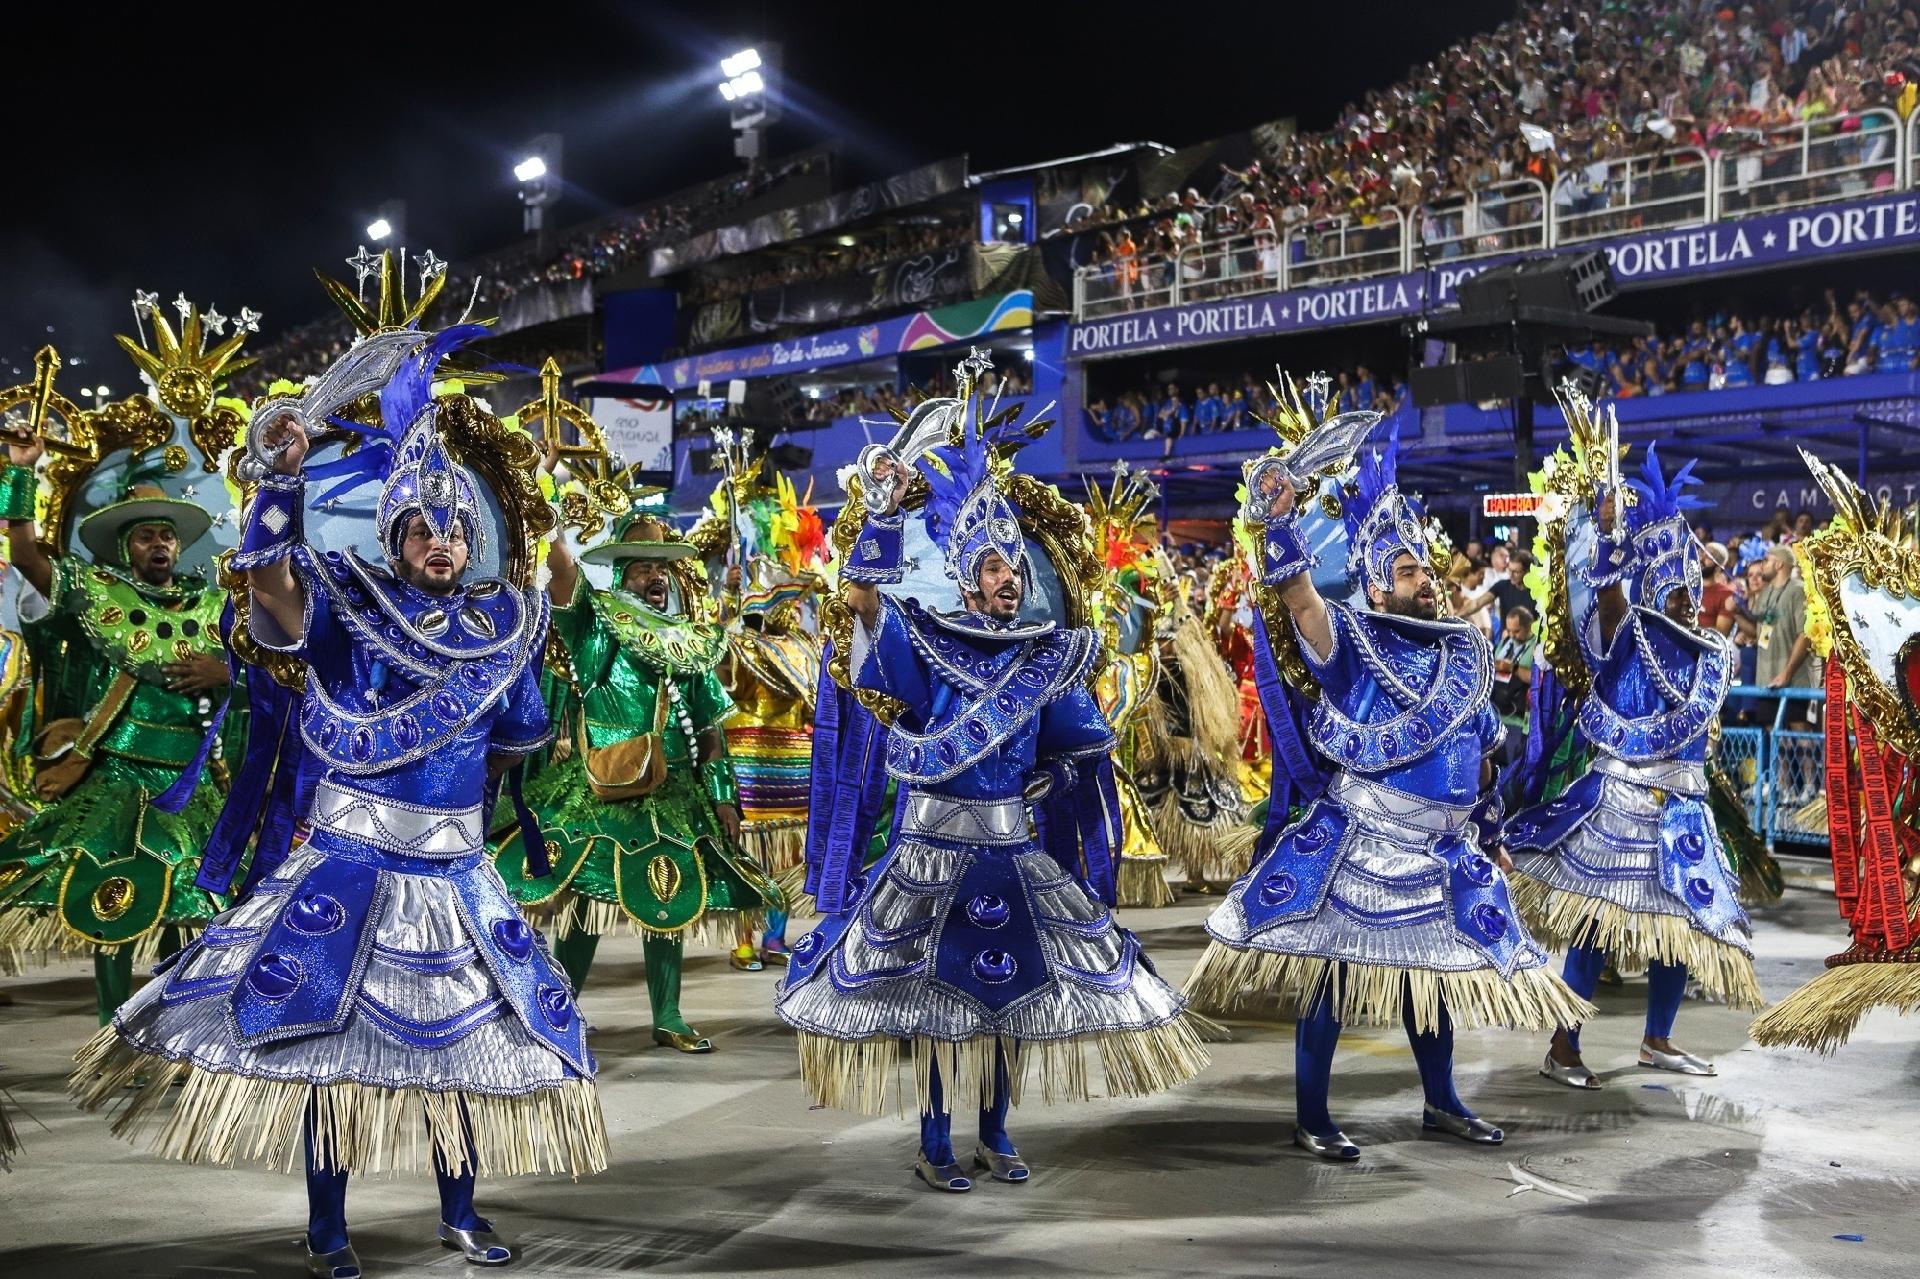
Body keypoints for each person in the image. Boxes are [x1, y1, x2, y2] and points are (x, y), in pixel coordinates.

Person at [72, 323, 606, 1278]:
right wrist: (280, 483)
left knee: (460, 1056)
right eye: (421, 529)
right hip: (351, 869)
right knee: (330, 1053)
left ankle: (460, 1212)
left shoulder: (505, 625)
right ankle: (327, 1228)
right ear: (394, 540)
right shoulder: (349, 606)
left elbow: (519, 738)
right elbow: (269, 587)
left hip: (455, 872)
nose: (440, 543)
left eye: (453, 529)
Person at [776, 356, 1209, 1191]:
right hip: (931, 855)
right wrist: (883, 511)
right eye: (994, 569)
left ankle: (998, 1133)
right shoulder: (925, 644)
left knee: (1009, 1000)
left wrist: (1059, 780)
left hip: (1010, 854)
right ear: (968, 580)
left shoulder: (1046, 658)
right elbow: (862, 603)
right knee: (942, 1008)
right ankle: (936, 1143)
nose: (1010, 581)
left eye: (1015, 569)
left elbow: (1074, 752)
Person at [1186, 431, 1588, 1162]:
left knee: (1430, 980)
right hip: (1363, 839)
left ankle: (1442, 1102)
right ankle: (1313, 1116)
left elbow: (1482, 758)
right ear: (1376, 585)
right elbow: (1300, 598)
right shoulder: (1351, 641)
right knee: (1332, 976)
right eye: (1408, 572)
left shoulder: (1463, 651)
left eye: (1426, 569)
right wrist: (1278, 519)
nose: (1425, 580)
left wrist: (1491, 829)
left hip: (1441, 848)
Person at [1506, 444, 1760, 1089]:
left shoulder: (1710, 651)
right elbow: (1610, 602)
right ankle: (1563, 1048)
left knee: (1680, 927)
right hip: (1620, 799)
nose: (1683, 601)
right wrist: (1608, 540)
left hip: (1684, 806)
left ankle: (1658, 1040)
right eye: (1671, 590)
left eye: (1688, 590)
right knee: (1597, 923)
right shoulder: (1627, 635)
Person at [494, 511, 779, 1050]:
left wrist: (724, 797)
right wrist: (547, 517)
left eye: (662, 569)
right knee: (587, 900)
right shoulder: (597, 624)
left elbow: (711, 730)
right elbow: (563, 575)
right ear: (622, 573)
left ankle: (668, 1015)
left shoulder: (690, 640)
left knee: (668, 898)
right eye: (644, 567)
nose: (656, 577)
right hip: (603, 788)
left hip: (674, 793)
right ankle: (560, 1008)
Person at [0, 449, 233, 1022]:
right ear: (126, 547)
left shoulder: (214, 607)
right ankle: (113, 1026)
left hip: (190, 780)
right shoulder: (99, 593)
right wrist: (21, 472)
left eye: (166, 535)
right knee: (110, 901)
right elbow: (25, 555)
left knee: (189, 906)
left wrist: (226, 673)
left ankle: (173, 1027)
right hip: (120, 776)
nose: (158, 544)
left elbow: (273, 668)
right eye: (145, 536)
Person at [1492, 605, 1536, 765]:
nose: (1511, 635)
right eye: (1509, 630)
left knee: (1510, 770)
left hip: (1517, 721)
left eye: (1516, 631)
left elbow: (1536, 679)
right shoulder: (1506, 641)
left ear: (1528, 626)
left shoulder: (1536, 646)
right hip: (1496, 716)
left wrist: (1513, 668)